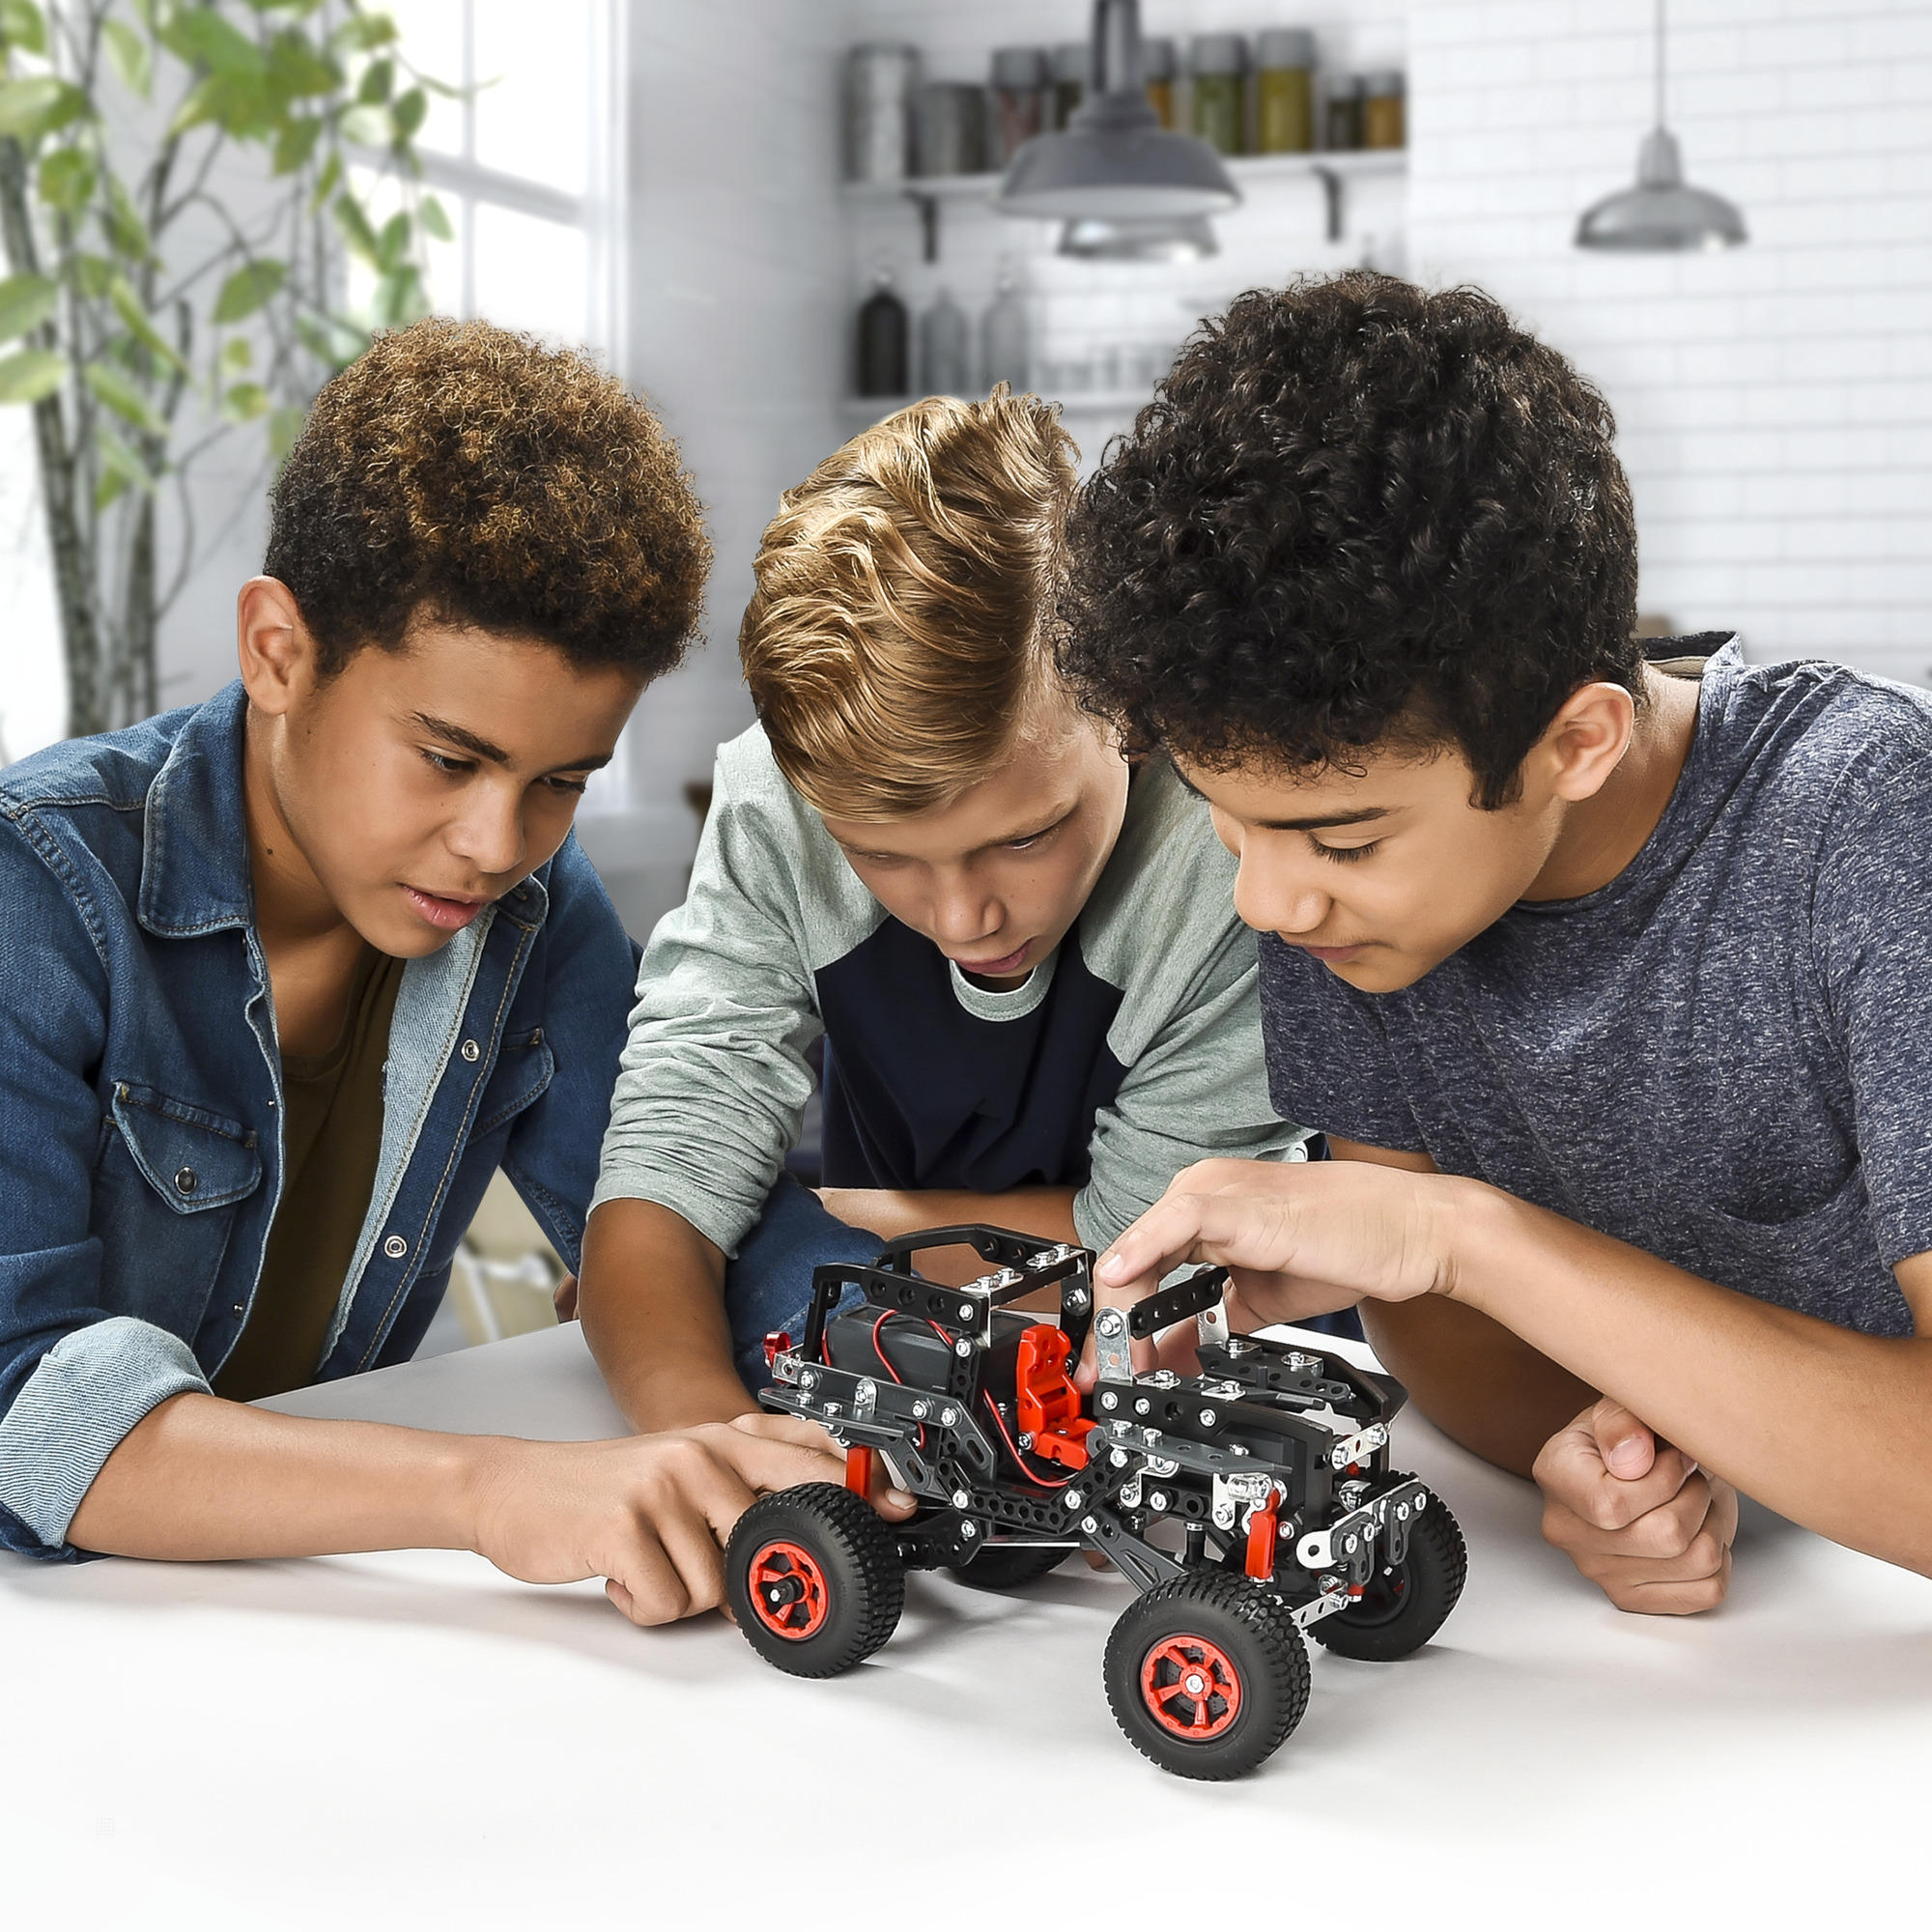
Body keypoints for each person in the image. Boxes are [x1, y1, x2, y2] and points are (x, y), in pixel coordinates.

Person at [1056, 271, 1932, 1615]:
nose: (1267, 904)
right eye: (1229, 822)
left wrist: (1466, 1236)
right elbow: (1431, 1321)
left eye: (1341, 841)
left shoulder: (1869, 827)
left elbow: (1437, 1255)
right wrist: (1590, 1457)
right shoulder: (1341, 905)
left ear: (1576, 742)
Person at [0, 318, 847, 1621]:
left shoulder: (533, 917)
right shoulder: (40, 888)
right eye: (449, 759)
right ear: (277, 652)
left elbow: (687, 1207)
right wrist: (490, 1491)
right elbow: (24, 1407)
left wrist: (888, 1403)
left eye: (560, 781)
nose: (496, 844)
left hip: (282, 1612)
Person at [578, 390, 1311, 1444]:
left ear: (1128, 705)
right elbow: (666, 1176)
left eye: (1026, 836)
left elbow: (1144, 1258)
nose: (966, 919)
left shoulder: (1233, 855)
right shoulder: (776, 800)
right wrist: (706, 1442)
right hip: (902, 1365)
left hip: (1194, 1380)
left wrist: (802, 1231)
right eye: (880, 855)